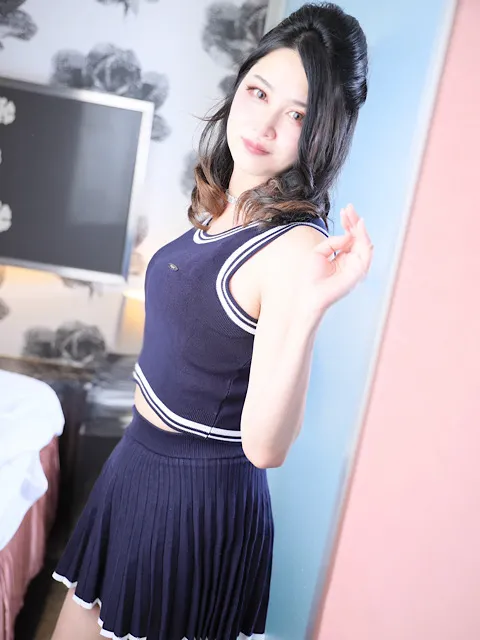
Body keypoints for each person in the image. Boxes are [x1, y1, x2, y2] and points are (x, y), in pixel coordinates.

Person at [51, 2, 372, 639]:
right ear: (239, 86)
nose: (266, 124)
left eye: (299, 114)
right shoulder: (225, 209)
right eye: (259, 92)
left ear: (324, 133)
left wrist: (309, 311)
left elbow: (266, 447)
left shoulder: (294, 244)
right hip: (138, 465)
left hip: (192, 499)